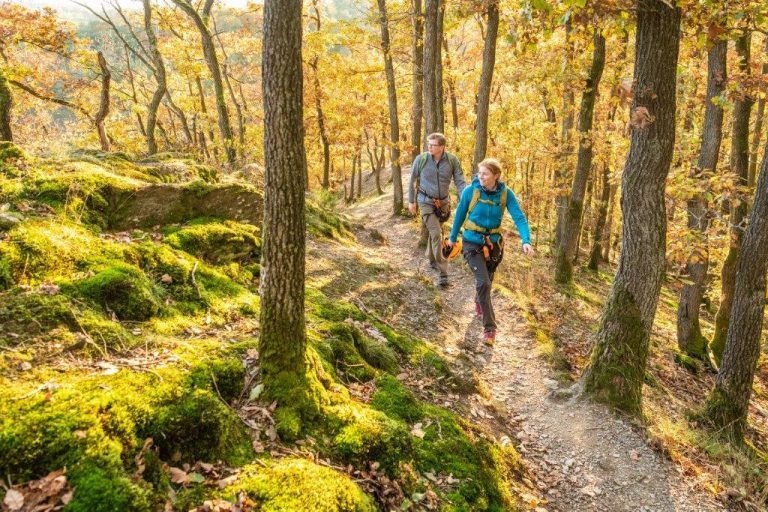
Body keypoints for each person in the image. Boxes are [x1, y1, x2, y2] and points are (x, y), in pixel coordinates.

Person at [446, 158, 534, 345]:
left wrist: (526, 240)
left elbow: (519, 217)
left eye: (485, 174)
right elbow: (459, 214)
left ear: (496, 176)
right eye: (480, 173)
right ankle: (490, 328)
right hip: (471, 242)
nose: (481, 177)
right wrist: (452, 238)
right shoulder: (471, 191)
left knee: (487, 282)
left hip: (493, 245)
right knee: (484, 282)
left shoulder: (506, 194)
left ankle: (479, 301)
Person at [408, 133, 467, 287]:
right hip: (425, 201)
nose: (429, 147)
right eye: (428, 144)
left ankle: (431, 257)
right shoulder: (421, 159)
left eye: (433, 145)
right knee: (435, 234)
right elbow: (412, 180)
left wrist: (465, 198)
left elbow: (460, 181)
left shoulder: (452, 160)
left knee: (436, 232)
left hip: (443, 204)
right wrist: (411, 201)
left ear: (442, 147)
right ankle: (443, 273)